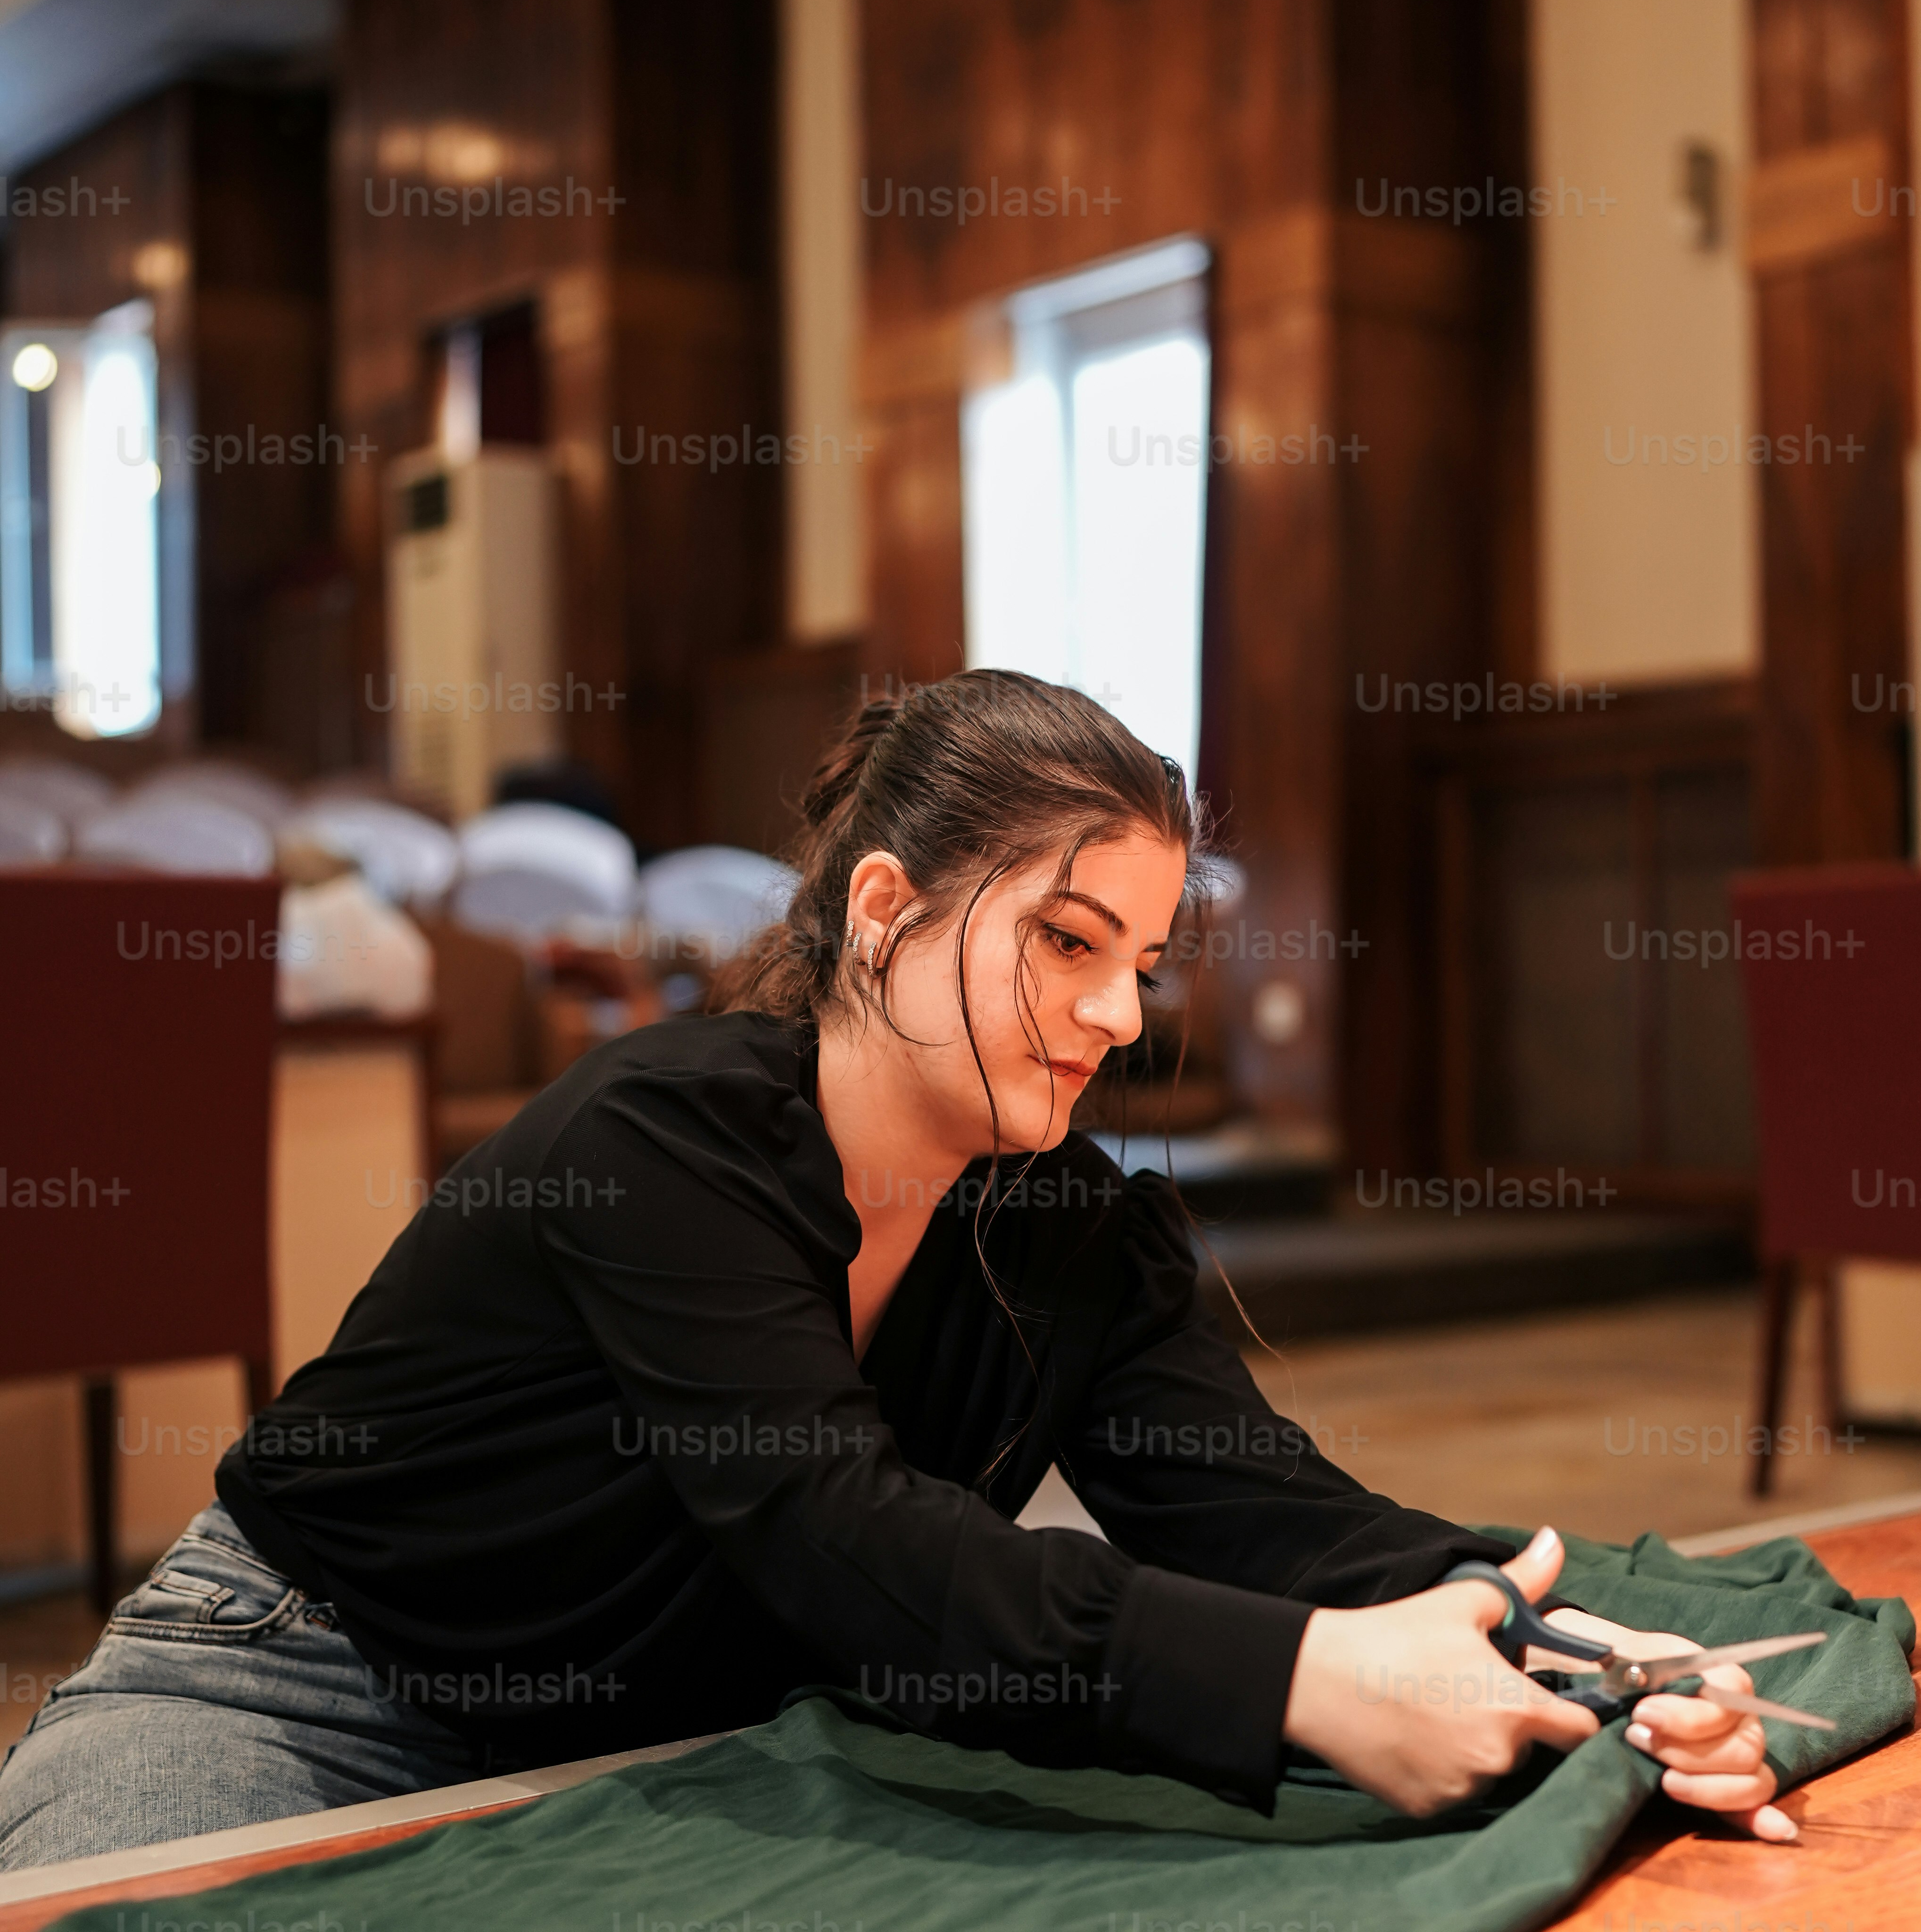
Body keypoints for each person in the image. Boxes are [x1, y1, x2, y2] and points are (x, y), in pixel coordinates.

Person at [0, 671, 1791, 1869]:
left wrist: (1554, 1638)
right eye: (1065, 941)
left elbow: (1254, 1511)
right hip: (307, 1685)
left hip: (682, 1740)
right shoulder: (666, 1133)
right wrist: (1309, 1684)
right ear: (884, 910)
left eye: (1147, 961)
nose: (1115, 1013)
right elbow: (841, 1541)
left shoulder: (1067, 1221)